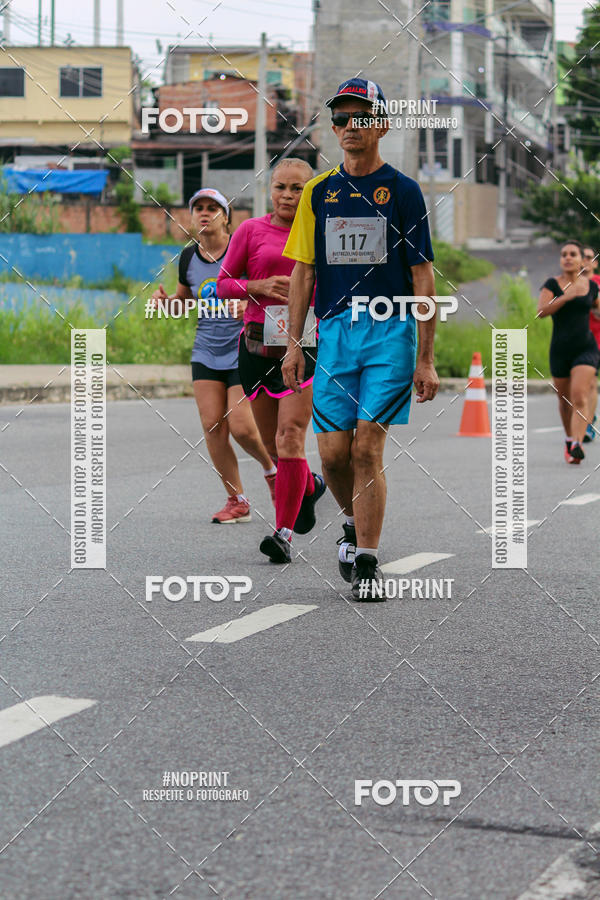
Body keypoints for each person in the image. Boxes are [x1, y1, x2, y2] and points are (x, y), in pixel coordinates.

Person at [281, 78, 439, 601]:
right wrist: (294, 343)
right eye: (343, 118)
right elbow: (303, 272)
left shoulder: (404, 191)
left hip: (391, 331)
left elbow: (422, 278)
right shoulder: (318, 192)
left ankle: (368, 562)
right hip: (335, 336)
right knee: (332, 457)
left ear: (383, 125)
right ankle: (351, 526)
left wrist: (427, 357)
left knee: (368, 448)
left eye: (362, 117)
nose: (351, 126)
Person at [217, 159, 327, 564]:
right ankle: (310, 487)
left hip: (306, 346)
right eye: (281, 187)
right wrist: (258, 285)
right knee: (274, 447)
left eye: (297, 188)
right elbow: (222, 284)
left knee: (290, 437)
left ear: (310, 192)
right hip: (258, 349)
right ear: (270, 190)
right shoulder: (250, 230)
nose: (287, 195)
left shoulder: (320, 232)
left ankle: (282, 534)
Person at [151, 188, 276, 522]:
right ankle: (237, 500)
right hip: (206, 349)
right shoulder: (189, 258)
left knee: (243, 428)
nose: (204, 214)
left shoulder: (245, 249)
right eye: (198, 209)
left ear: (226, 215)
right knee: (212, 425)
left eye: (212, 208)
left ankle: (273, 470)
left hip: (243, 348)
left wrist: (248, 303)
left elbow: (267, 292)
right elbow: (185, 298)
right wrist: (168, 303)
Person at [537, 240, 600, 464]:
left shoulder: (591, 286)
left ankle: (577, 443)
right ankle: (569, 439)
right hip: (560, 349)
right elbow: (541, 312)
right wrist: (566, 297)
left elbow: (597, 307)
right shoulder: (552, 284)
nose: (568, 257)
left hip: (586, 347)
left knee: (580, 394)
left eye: (573, 254)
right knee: (564, 402)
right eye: (564, 254)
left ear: (582, 259)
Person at [581, 245, 600, 442]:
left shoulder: (598, 284)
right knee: (576, 388)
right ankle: (585, 417)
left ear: (595, 262)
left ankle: (587, 424)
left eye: (588, 257)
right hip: (574, 342)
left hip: (596, 341)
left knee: (591, 382)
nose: (585, 261)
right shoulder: (570, 284)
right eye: (582, 257)